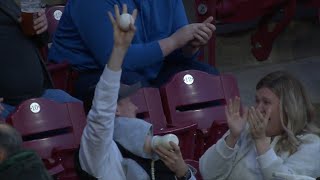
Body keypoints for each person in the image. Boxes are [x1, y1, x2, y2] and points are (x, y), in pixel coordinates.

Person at [77, 5, 196, 179]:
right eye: (129, 101)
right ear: (115, 109)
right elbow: (102, 111)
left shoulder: (154, 151)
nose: (135, 108)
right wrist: (119, 50)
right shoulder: (100, 151)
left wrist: (183, 173)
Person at [48, 0, 219, 100]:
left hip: (150, 69)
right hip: (90, 75)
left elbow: (176, 50)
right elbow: (116, 58)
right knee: (138, 90)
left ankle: (211, 147)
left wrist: (190, 45)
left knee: (207, 77)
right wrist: (174, 41)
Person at [199, 71, 320, 179]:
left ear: (288, 108)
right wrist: (232, 138)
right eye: (257, 101)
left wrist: (261, 143)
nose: (258, 108)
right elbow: (207, 173)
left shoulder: (311, 145)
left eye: (266, 102)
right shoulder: (246, 129)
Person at [0, 0, 80, 119]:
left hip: (41, 94)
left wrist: (42, 25)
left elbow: (40, 41)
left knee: (82, 116)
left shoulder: (22, 2)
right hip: (6, 106)